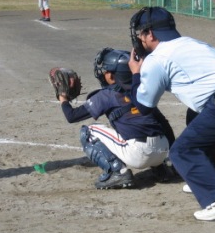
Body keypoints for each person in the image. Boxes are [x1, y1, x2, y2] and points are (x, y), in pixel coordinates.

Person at [128, 7, 215, 221]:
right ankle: (204, 178)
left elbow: (144, 106)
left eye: (140, 34)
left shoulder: (156, 59)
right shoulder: (192, 43)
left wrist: (136, 74)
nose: (139, 39)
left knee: (182, 151)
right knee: (194, 115)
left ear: (151, 34)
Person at [57, 47, 175, 189]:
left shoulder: (106, 95)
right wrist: (173, 157)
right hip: (163, 151)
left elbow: (72, 116)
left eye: (106, 71)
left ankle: (118, 172)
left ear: (113, 76)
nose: (103, 73)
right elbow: (165, 124)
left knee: (88, 132)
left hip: (138, 154)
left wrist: (62, 98)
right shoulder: (141, 91)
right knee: (148, 126)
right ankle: (161, 169)